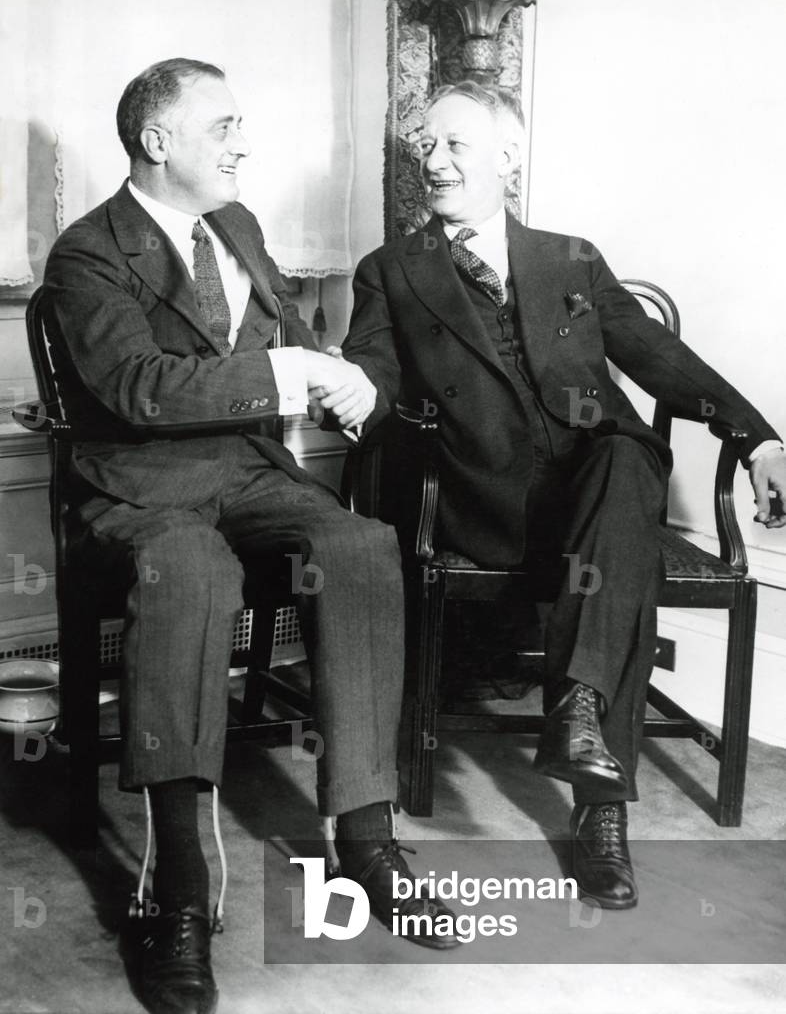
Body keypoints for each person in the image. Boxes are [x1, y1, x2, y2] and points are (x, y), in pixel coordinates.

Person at [44, 58, 459, 1014]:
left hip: (245, 472)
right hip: (140, 486)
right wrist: (288, 372)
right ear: (157, 142)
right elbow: (140, 387)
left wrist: (346, 376)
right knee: (187, 568)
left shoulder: (238, 226)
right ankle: (178, 894)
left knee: (360, 544)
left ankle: (366, 839)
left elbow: (291, 331)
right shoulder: (88, 254)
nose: (243, 142)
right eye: (223, 125)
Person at [341, 80, 786, 912]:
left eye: (455, 145)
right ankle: (595, 765)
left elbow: (655, 357)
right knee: (619, 530)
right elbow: (373, 367)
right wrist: (358, 390)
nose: (433, 161)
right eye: (426, 146)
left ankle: (586, 758)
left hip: (593, 493)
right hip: (483, 499)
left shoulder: (569, 257)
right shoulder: (393, 270)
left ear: (509, 156)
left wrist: (758, 437)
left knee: (625, 459)